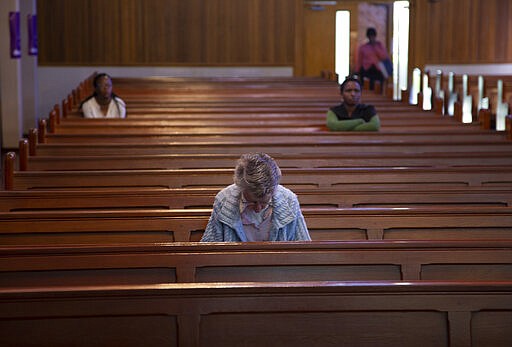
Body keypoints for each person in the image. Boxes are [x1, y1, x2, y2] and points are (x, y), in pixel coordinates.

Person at [200, 153, 311, 242]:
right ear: (241, 188)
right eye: (251, 202)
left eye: (264, 202)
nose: (258, 209)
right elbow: (209, 248)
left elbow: (304, 248)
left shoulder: (289, 200)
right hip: (233, 267)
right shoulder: (223, 199)